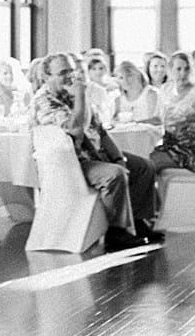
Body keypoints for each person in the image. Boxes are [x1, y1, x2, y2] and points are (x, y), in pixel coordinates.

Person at [34, 53, 161, 250]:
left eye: (71, 70)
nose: (70, 76)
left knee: (144, 167)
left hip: (96, 154)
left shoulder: (72, 93)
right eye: (63, 72)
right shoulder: (44, 101)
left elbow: (100, 131)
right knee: (114, 174)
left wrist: (118, 157)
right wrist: (80, 96)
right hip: (72, 163)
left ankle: (138, 222)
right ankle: (116, 232)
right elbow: (74, 128)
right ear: (46, 77)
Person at [112, 60, 161, 125]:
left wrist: (134, 124)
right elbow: (114, 121)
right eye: (121, 78)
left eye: (129, 75)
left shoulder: (151, 94)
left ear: (138, 75)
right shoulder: (118, 99)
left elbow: (157, 120)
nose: (125, 80)